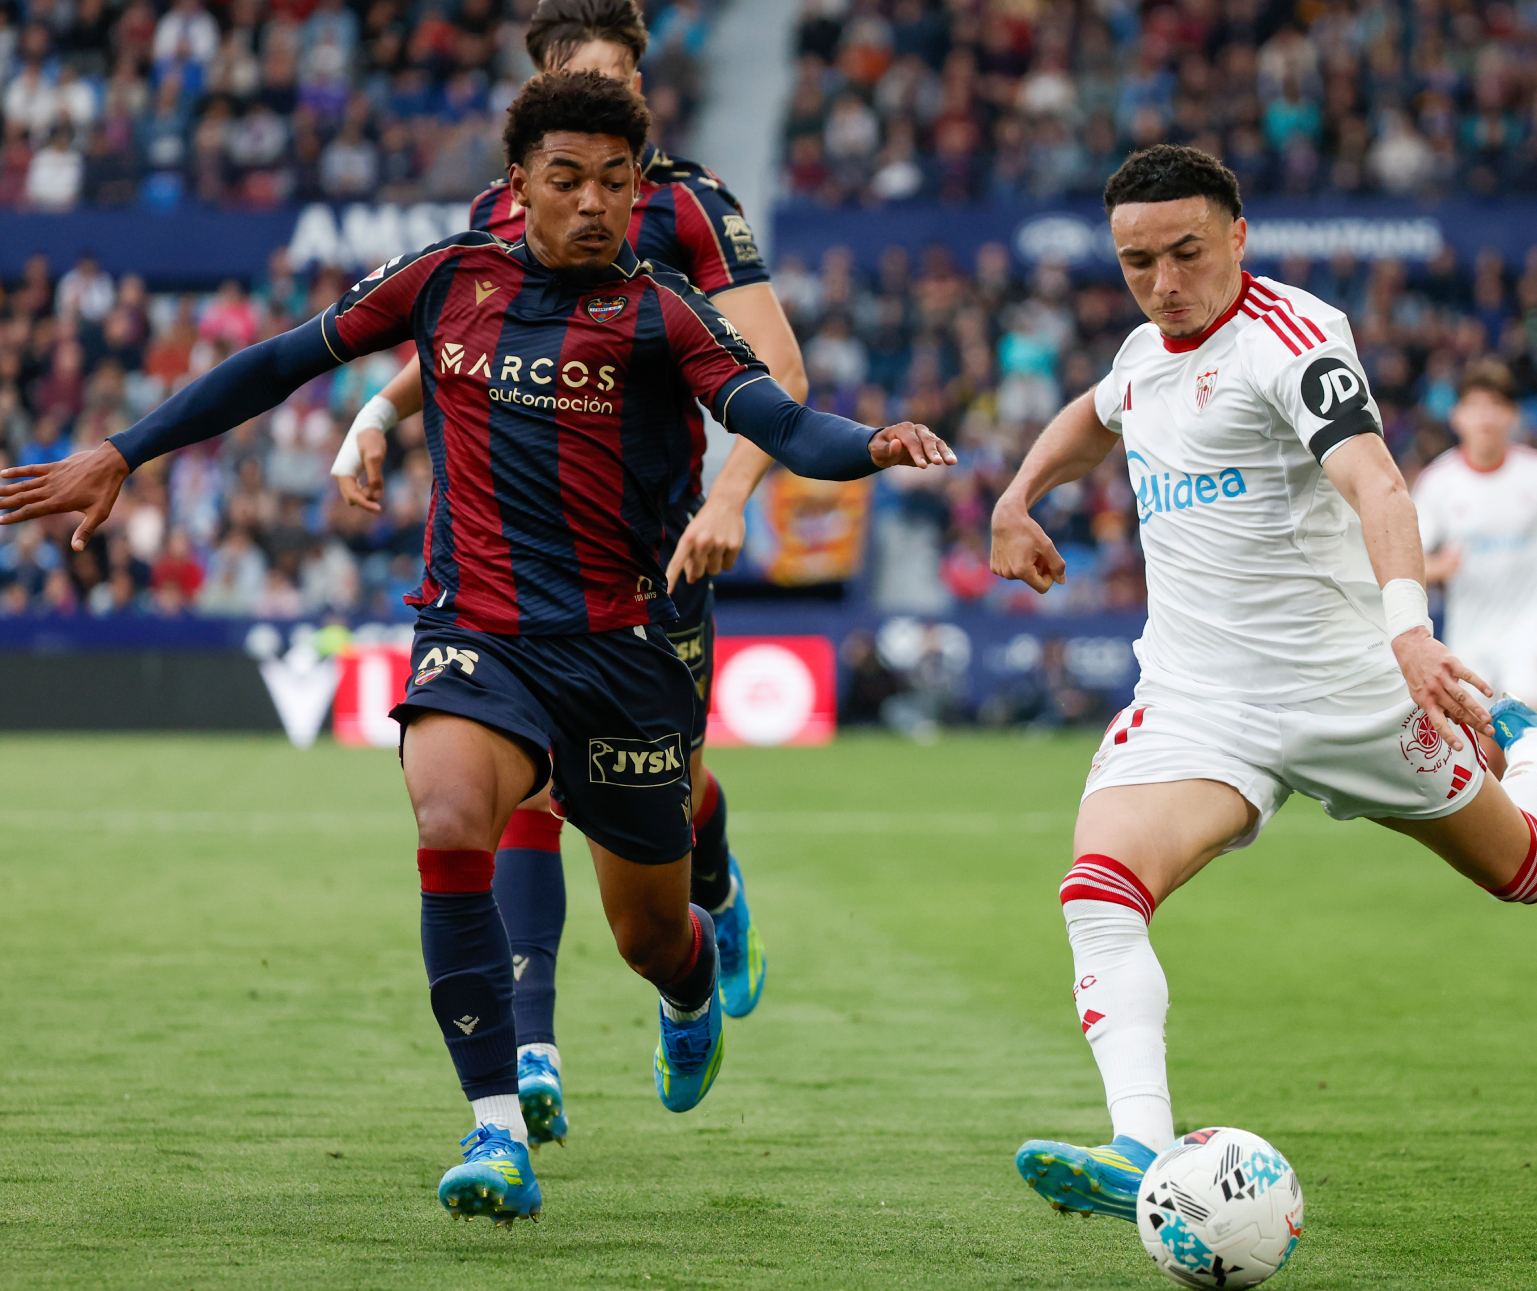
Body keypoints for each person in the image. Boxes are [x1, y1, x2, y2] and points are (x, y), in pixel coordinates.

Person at [1, 71, 953, 1226]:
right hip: (477, 632)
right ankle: (496, 1129)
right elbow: (280, 361)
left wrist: (876, 443)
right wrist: (126, 449)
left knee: (648, 936)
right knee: (452, 819)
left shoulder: (663, 311)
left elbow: (779, 419)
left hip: (624, 652)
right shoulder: (448, 277)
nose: (593, 203)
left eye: (615, 181)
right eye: (567, 180)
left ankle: (693, 983)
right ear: (521, 187)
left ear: (640, 186)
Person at [987, 145, 1537, 1222]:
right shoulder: (1143, 351)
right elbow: (1098, 410)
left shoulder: (1294, 339)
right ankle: (1139, 1143)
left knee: (1524, 875)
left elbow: (1381, 484)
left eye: (1187, 253)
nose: (1166, 284)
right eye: (1138, 264)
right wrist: (1018, 494)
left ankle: (1534, 748)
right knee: (1099, 890)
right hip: (1198, 700)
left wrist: (1410, 632)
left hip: (1350, 694)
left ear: (1238, 236)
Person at [328, 0, 799, 1151]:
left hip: (658, 549)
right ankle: (527, 1057)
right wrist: (381, 414)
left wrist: (730, 496)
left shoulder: (685, 203)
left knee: (659, 802)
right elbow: (463, 324)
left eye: (631, 81)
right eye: (593, 78)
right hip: (521, 570)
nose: (620, 102)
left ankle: (713, 905)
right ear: (539, 92)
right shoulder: (503, 205)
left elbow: (776, 369)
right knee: (524, 785)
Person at [1413, 359, 1537, 718]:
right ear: (1456, 416)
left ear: (1512, 416)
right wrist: (1438, 567)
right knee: (1482, 751)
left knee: (1527, 733)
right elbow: (1404, 561)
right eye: (1474, 406)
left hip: (1531, 628)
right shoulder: (1436, 484)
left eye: (1496, 406)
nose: (1485, 418)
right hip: (1470, 634)